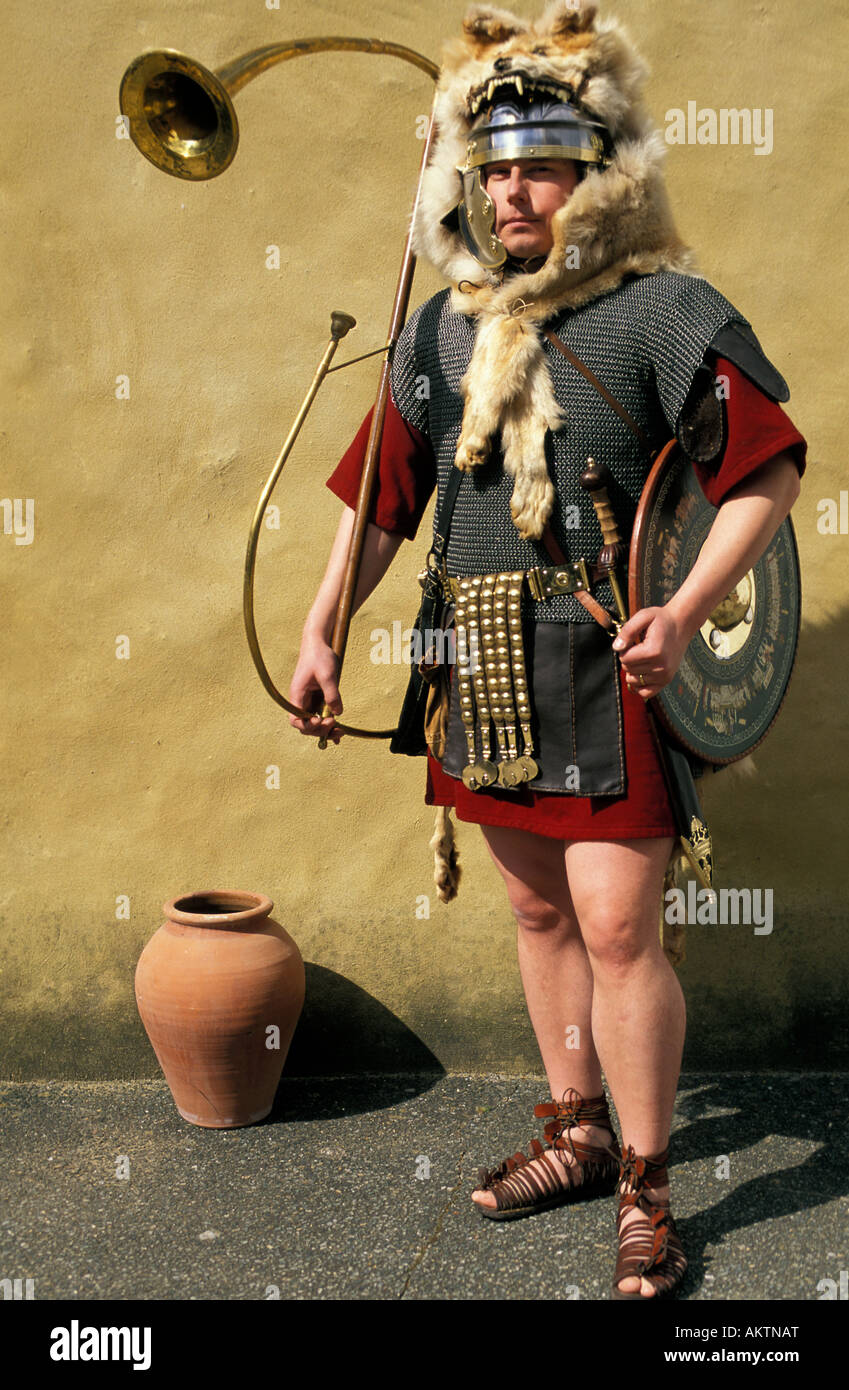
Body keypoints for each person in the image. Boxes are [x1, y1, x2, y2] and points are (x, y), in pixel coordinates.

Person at [288, 2, 806, 1299]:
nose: (515, 189)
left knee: (618, 925)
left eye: (541, 163)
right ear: (470, 180)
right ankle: (573, 1128)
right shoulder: (438, 328)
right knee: (532, 906)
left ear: (592, 173)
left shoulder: (656, 310)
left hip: (603, 650)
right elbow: (382, 501)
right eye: (495, 165)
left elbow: (766, 471)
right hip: (474, 653)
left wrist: (681, 610)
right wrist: (319, 628)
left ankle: (643, 1182)